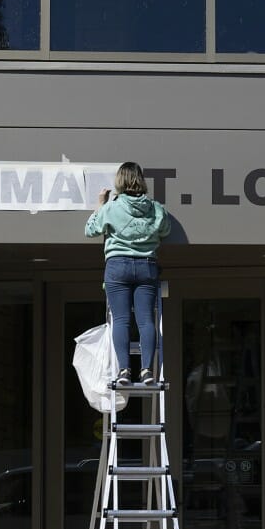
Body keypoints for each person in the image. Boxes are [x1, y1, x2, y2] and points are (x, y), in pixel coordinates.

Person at [84, 162, 171, 386]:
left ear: (119, 181)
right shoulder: (155, 208)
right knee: (145, 321)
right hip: (146, 266)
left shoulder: (112, 208)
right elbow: (166, 229)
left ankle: (124, 371)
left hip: (117, 266)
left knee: (121, 319)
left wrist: (100, 205)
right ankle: (146, 371)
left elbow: (90, 230)